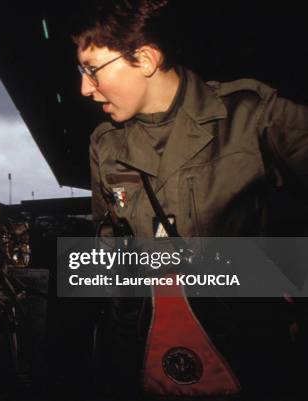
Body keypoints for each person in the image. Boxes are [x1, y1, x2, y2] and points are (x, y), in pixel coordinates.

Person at [72, 0, 308, 400]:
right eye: (82, 71)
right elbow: (111, 251)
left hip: (251, 358)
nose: (84, 88)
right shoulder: (104, 145)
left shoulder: (252, 117)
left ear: (145, 59)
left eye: (92, 69)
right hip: (148, 358)